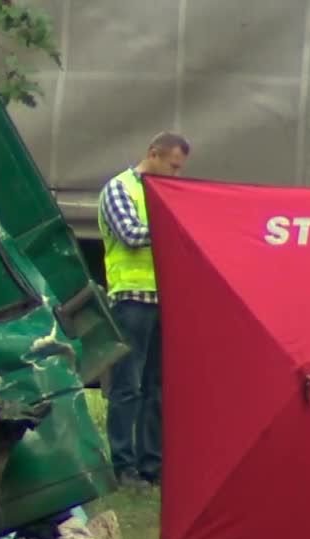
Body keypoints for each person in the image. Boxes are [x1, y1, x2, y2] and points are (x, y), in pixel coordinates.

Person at [96, 132, 190, 491]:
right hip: (132, 299)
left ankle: (152, 466)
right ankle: (125, 468)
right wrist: (176, 225)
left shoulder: (166, 193)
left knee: (156, 386)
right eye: (172, 166)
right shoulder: (120, 189)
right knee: (128, 386)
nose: (175, 176)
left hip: (164, 300)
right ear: (153, 154)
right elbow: (131, 235)